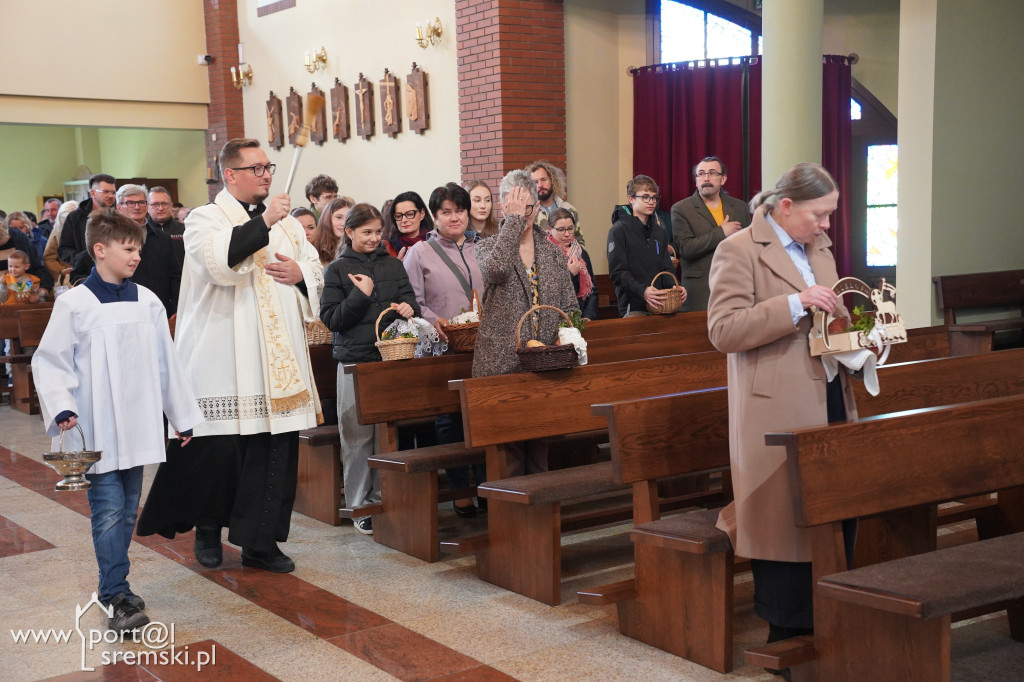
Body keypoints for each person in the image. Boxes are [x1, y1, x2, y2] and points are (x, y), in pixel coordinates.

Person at [137, 138, 324, 574]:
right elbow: (218, 265)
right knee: (217, 454)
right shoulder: (205, 219)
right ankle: (206, 529)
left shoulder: (292, 227)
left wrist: (301, 276)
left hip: (276, 367)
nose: (266, 174)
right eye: (256, 168)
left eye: (268, 167)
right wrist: (264, 223)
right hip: (221, 358)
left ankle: (261, 543)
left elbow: (314, 269)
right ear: (230, 175)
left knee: (273, 453)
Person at [707, 162, 858, 662]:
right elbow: (723, 331)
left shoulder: (820, 248)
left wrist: (859, 336)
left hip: (829, 392)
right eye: (820, 214)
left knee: (834, 509)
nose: (827, 226)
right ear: (786, 207)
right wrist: (794, 304)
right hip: (775, 408)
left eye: (831, 216)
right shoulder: (738, 250)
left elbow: (831, 313)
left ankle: (832, 622)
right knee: (785, 520)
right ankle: (787, 639)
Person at [31, 210, 203, 633]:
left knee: (127, 513)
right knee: (108, 511)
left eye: (139, 249)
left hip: (138, 424)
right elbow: (50, 360)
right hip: (94, 426)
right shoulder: (74, 304)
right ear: (100, 249)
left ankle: (115, 585)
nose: (137, 257)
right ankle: (116, 594)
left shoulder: (147, 301)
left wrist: (182, 416)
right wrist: (62, 407)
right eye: (129, 249)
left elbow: (167, 363)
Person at [320, 203, 419, 535]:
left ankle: (386, 499)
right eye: (367, 232)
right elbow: (332, 319)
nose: (374, 238)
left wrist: (408, 307)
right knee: (357, 436)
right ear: (349, 232)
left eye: (378, 232)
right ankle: (360, 505)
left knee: (386, 435)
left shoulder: (393, 264)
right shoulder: (337, 270)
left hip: (389, 360)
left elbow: (410, 301)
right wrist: (361, 296)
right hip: (354, 360)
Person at [473, 169, 579, 476]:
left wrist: (566, 337)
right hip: (501, 367)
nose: (526, 215)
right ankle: (511, 522)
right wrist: (514, 222)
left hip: (544, 365)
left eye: (530, 207)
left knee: (539, 458)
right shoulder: (487, 246)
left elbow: (570, 307)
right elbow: (495, 271)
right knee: (510, 460)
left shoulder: (551, 252)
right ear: (505, 207)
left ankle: (541, 523)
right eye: (518, 207)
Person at [404, 183, 485, 515]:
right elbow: (412, 301)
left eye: (460, 210)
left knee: (482, 417)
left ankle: (486, 487)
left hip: (482, 346)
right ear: (434, 217)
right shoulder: (419, 253)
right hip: (443, 348)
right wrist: (434, 319)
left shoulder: (482, 248)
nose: (455, 217)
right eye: (447, 212)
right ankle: (459, 491)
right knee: (449, 420)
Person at [672, 156, 752, 311]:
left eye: (712, 173)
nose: (706, 178)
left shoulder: (740, 207)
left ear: (723, 179)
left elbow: (750, 247)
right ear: (696, 180)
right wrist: (721, 233)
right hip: (700, 293)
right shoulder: (681, 209)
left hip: (736, 289)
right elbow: (685, 248)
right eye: (701, 174)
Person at [607, 174, 684, 317]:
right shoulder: (618, 230)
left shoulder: (659, 231)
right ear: (631, 199)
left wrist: (675, 287)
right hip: (634, 305)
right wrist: (643, 291)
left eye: (654, 197)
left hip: (661, 304)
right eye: (645, 197)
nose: (651, 202)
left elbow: (666, 267)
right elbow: (618, 272)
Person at [59, 174, 118, 276]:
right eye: (106, 192)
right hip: (85, 275)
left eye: (113, 192)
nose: (111, 196)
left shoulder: (119, 216)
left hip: (114, 272)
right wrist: (81, 259)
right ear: (92, 193)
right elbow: (64, 249)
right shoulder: (75, 217)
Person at [547, 208, 598, 321]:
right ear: (550, 229)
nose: (567, 234)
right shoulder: (545, 254)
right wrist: (570, 274)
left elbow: (593, 290)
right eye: (561, 230)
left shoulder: (581, 252)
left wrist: (588, 316)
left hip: (581, 315)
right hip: (555, 318)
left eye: (570, 228)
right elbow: (548, 292)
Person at [526, 160, 583, 244]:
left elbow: (579, 240)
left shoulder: (569, 209)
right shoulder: (529, 212)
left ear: (552, 181)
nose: (540, 185)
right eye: (535, 182)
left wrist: (576, 255)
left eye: (543, 180)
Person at [384, 191, 433, 260]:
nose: (404, 220)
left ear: (422, 213)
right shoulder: (386, 248)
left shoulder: (436, 243)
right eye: (398, 216)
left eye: (410, 214)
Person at [310, 196, 355, 268]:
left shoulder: (357, 249)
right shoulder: (312, 250)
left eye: (348, 218)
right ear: (327, 218)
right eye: (339, 217)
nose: (343, 223)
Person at [147, 186, 186, 270]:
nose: (160, 208)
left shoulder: (185, 230)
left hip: (181, 279)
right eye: (155, 204)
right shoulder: (141, 232)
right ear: (147, 207)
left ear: (171, 205)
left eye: (164, 204)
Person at [43, 200, 78, 282]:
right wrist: (61, 270)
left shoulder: (90, 229)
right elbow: (49, 258)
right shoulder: (57, 231)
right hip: (67, 277)